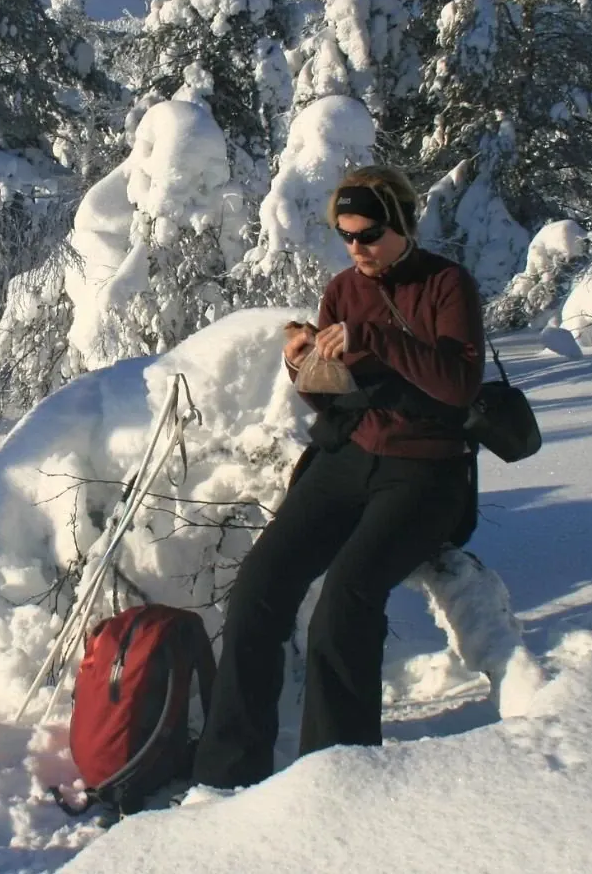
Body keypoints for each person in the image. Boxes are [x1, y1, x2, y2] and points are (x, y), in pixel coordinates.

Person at [190, 164, 485, 790]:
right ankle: (224, 777)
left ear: (402, 224)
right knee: (257, 592)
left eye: (370, 233)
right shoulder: (342, 289)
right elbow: (337, 399)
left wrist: (372, 338)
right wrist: (302, 367)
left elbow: (457, 388)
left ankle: (337, 783)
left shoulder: (446, 284)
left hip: (425, 470)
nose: (358, 248)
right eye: (346, 235)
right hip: (348, 456)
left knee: (346, 601)